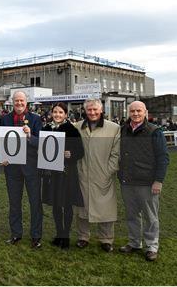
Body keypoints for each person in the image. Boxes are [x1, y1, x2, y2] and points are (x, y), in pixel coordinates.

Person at [118, 101, 169, 261]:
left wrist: (158, 181)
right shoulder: (123, 130)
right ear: (129, 112)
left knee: (150, 217)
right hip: (127, 181)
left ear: (145, 112)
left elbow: (163, 158)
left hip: (147, 182)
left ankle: (152, 246)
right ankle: (134, 243)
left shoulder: (155, 131)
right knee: (132, 215)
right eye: (132, 111)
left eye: (139, 111)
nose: (136, 114)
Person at [74, 98, 120, 252]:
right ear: (85, 111)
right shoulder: (77, 127)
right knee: (81, 208)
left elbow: (116, 154)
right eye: (89, 110)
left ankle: (106, 239)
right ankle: (82, 237)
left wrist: (108, 171)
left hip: (103, 176)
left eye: (95, 109)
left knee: (106, 208)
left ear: (101, 110)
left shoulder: (114, 128)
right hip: (82, 174)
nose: (92, 112)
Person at [0, 91, 43, 248]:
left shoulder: (36, 119)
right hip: (12, 167)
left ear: (27, 102)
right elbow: (1, 140)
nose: (19, 103)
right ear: (12, 102)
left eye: (21, 101)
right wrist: (2, 155)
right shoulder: (5, 119)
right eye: (16, 101)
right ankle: (16, 234)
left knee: (35, 203)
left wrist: (30, 136)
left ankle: (36, 236)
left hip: (32, 167)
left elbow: (41, 142)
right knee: (14, 203)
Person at [41, 102, 84, 249]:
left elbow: (80, 152)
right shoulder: (46, 128)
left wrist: (71, 154)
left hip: (67, 173)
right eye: (55, 112)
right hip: (52, 173)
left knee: (66, 204)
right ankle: (59, 234)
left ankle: (65, 236)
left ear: (65, 114)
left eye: (60, 112)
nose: (57, 115)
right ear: (51, 114)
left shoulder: (71, 130)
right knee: (56, 205)